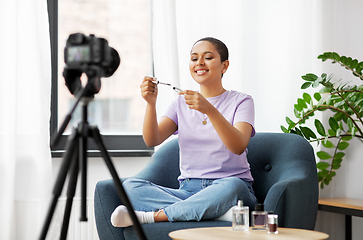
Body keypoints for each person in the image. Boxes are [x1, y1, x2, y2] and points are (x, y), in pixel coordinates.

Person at [111, 37, 257, 227]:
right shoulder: (180, 103)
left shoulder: (242, 101)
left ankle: (152, 217)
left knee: (233, 185)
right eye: (194, 58)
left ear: (224, 65)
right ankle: (214, 212)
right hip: (188, 190)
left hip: (229, 187)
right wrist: (151, 103)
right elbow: (152, 139)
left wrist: (209, 109)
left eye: (208, 57)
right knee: (130, 187)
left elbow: (238, 146)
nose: (200, 63)